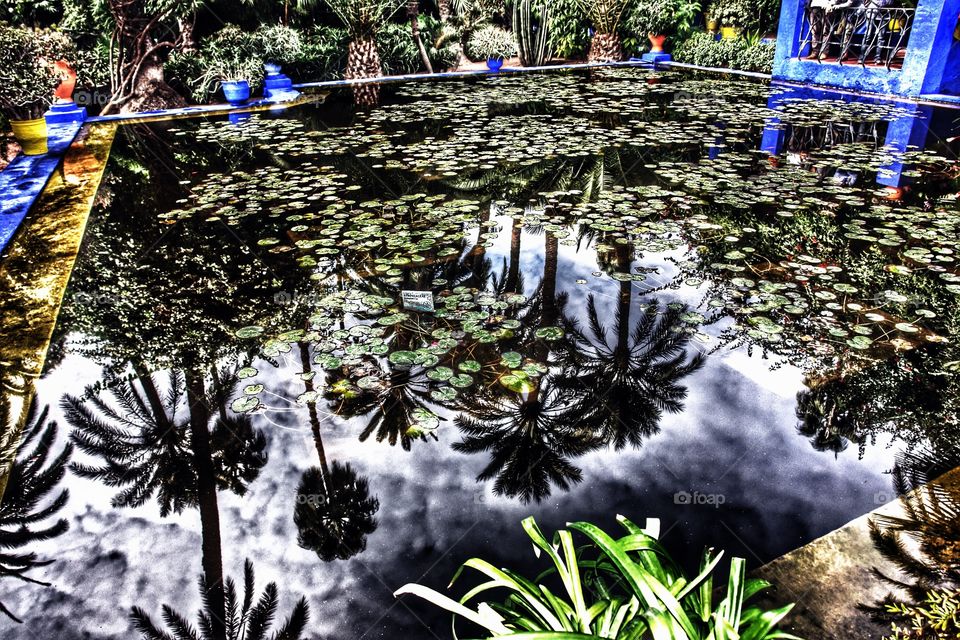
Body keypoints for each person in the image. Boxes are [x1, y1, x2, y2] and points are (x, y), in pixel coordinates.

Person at [858, 0, 893, 65]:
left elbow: (890, 2)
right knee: (868, 35)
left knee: (881, 37)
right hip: (872, 13)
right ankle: (862, 57)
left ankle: (877, 57)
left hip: (884, 15)